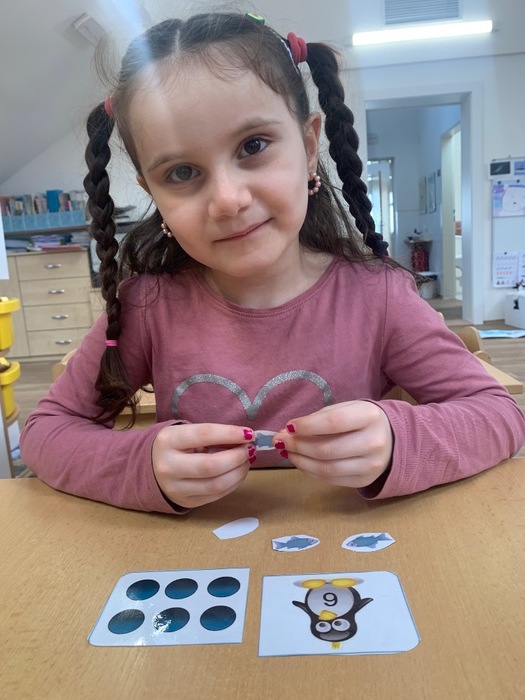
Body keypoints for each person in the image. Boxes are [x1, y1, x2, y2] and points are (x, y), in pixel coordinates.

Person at [20, 12, 525, 514]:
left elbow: (500, 415)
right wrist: (140, 465)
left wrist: (398, 440)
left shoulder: (379, 295)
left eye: (253, 146)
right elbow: (46, 432)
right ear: (153, 192)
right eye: (182, 172)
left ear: (308, 146)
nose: (228, 200)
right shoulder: (146, 307)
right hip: (197, 555)